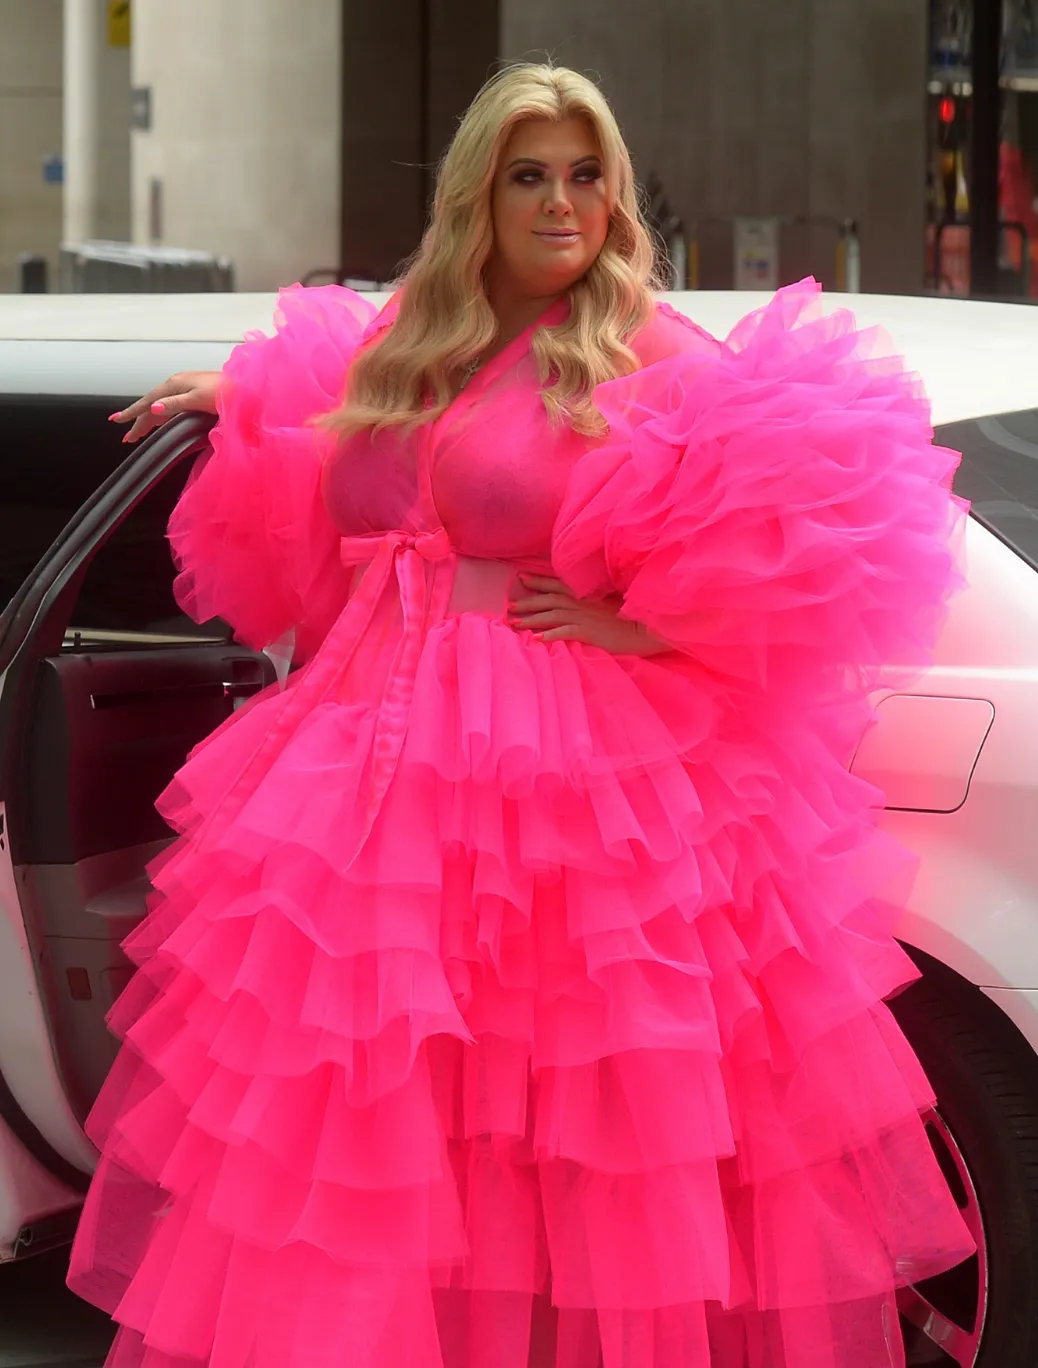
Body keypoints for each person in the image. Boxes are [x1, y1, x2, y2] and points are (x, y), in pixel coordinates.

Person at [68, 62, 973, 1368]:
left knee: (558, 1113)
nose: (561, 206)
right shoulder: (422, 334)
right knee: (378, 1108)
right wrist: (235, 396)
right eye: (529, 178)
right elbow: (354, 436)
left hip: (556, 771)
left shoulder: (643, 346)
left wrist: (644, 623)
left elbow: (828, 510)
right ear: (477, 199)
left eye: (585, 176)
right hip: (370, 753)